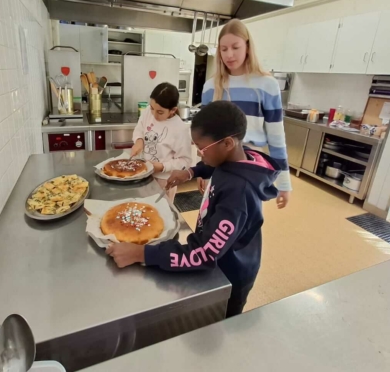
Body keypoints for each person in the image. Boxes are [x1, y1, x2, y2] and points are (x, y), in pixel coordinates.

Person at [107, 101, 280, 317]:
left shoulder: (239, 194)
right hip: (217, 254)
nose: (199, 154)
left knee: (217, 331)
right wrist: (191, 172)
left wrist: (140, 253)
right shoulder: (236, 156)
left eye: (202, 149)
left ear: (227, 143)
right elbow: (215, 164)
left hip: (227, 276)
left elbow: (204, 253)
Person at [201, 19, 291, 208]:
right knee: (213, 222)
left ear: (248, 47)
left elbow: (276, 136)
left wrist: (284, 183)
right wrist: (204, 170)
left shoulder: (267, 85)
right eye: (223, 49)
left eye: (235, 47)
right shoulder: (211, 87)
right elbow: (206, 137)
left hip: (251, 167)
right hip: (220, 165)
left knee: (245, 224)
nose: (229, 54)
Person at [130, 82, 192, 202]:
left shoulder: (179, 128)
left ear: (173, 110)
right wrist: (139, 141)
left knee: (162, 214)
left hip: (165, 180)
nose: (154, 114)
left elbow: (185, 160)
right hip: (143, 175)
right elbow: (140, 129)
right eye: (152, 108)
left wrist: (163, 167)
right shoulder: (148, 111)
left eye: (160, 112)